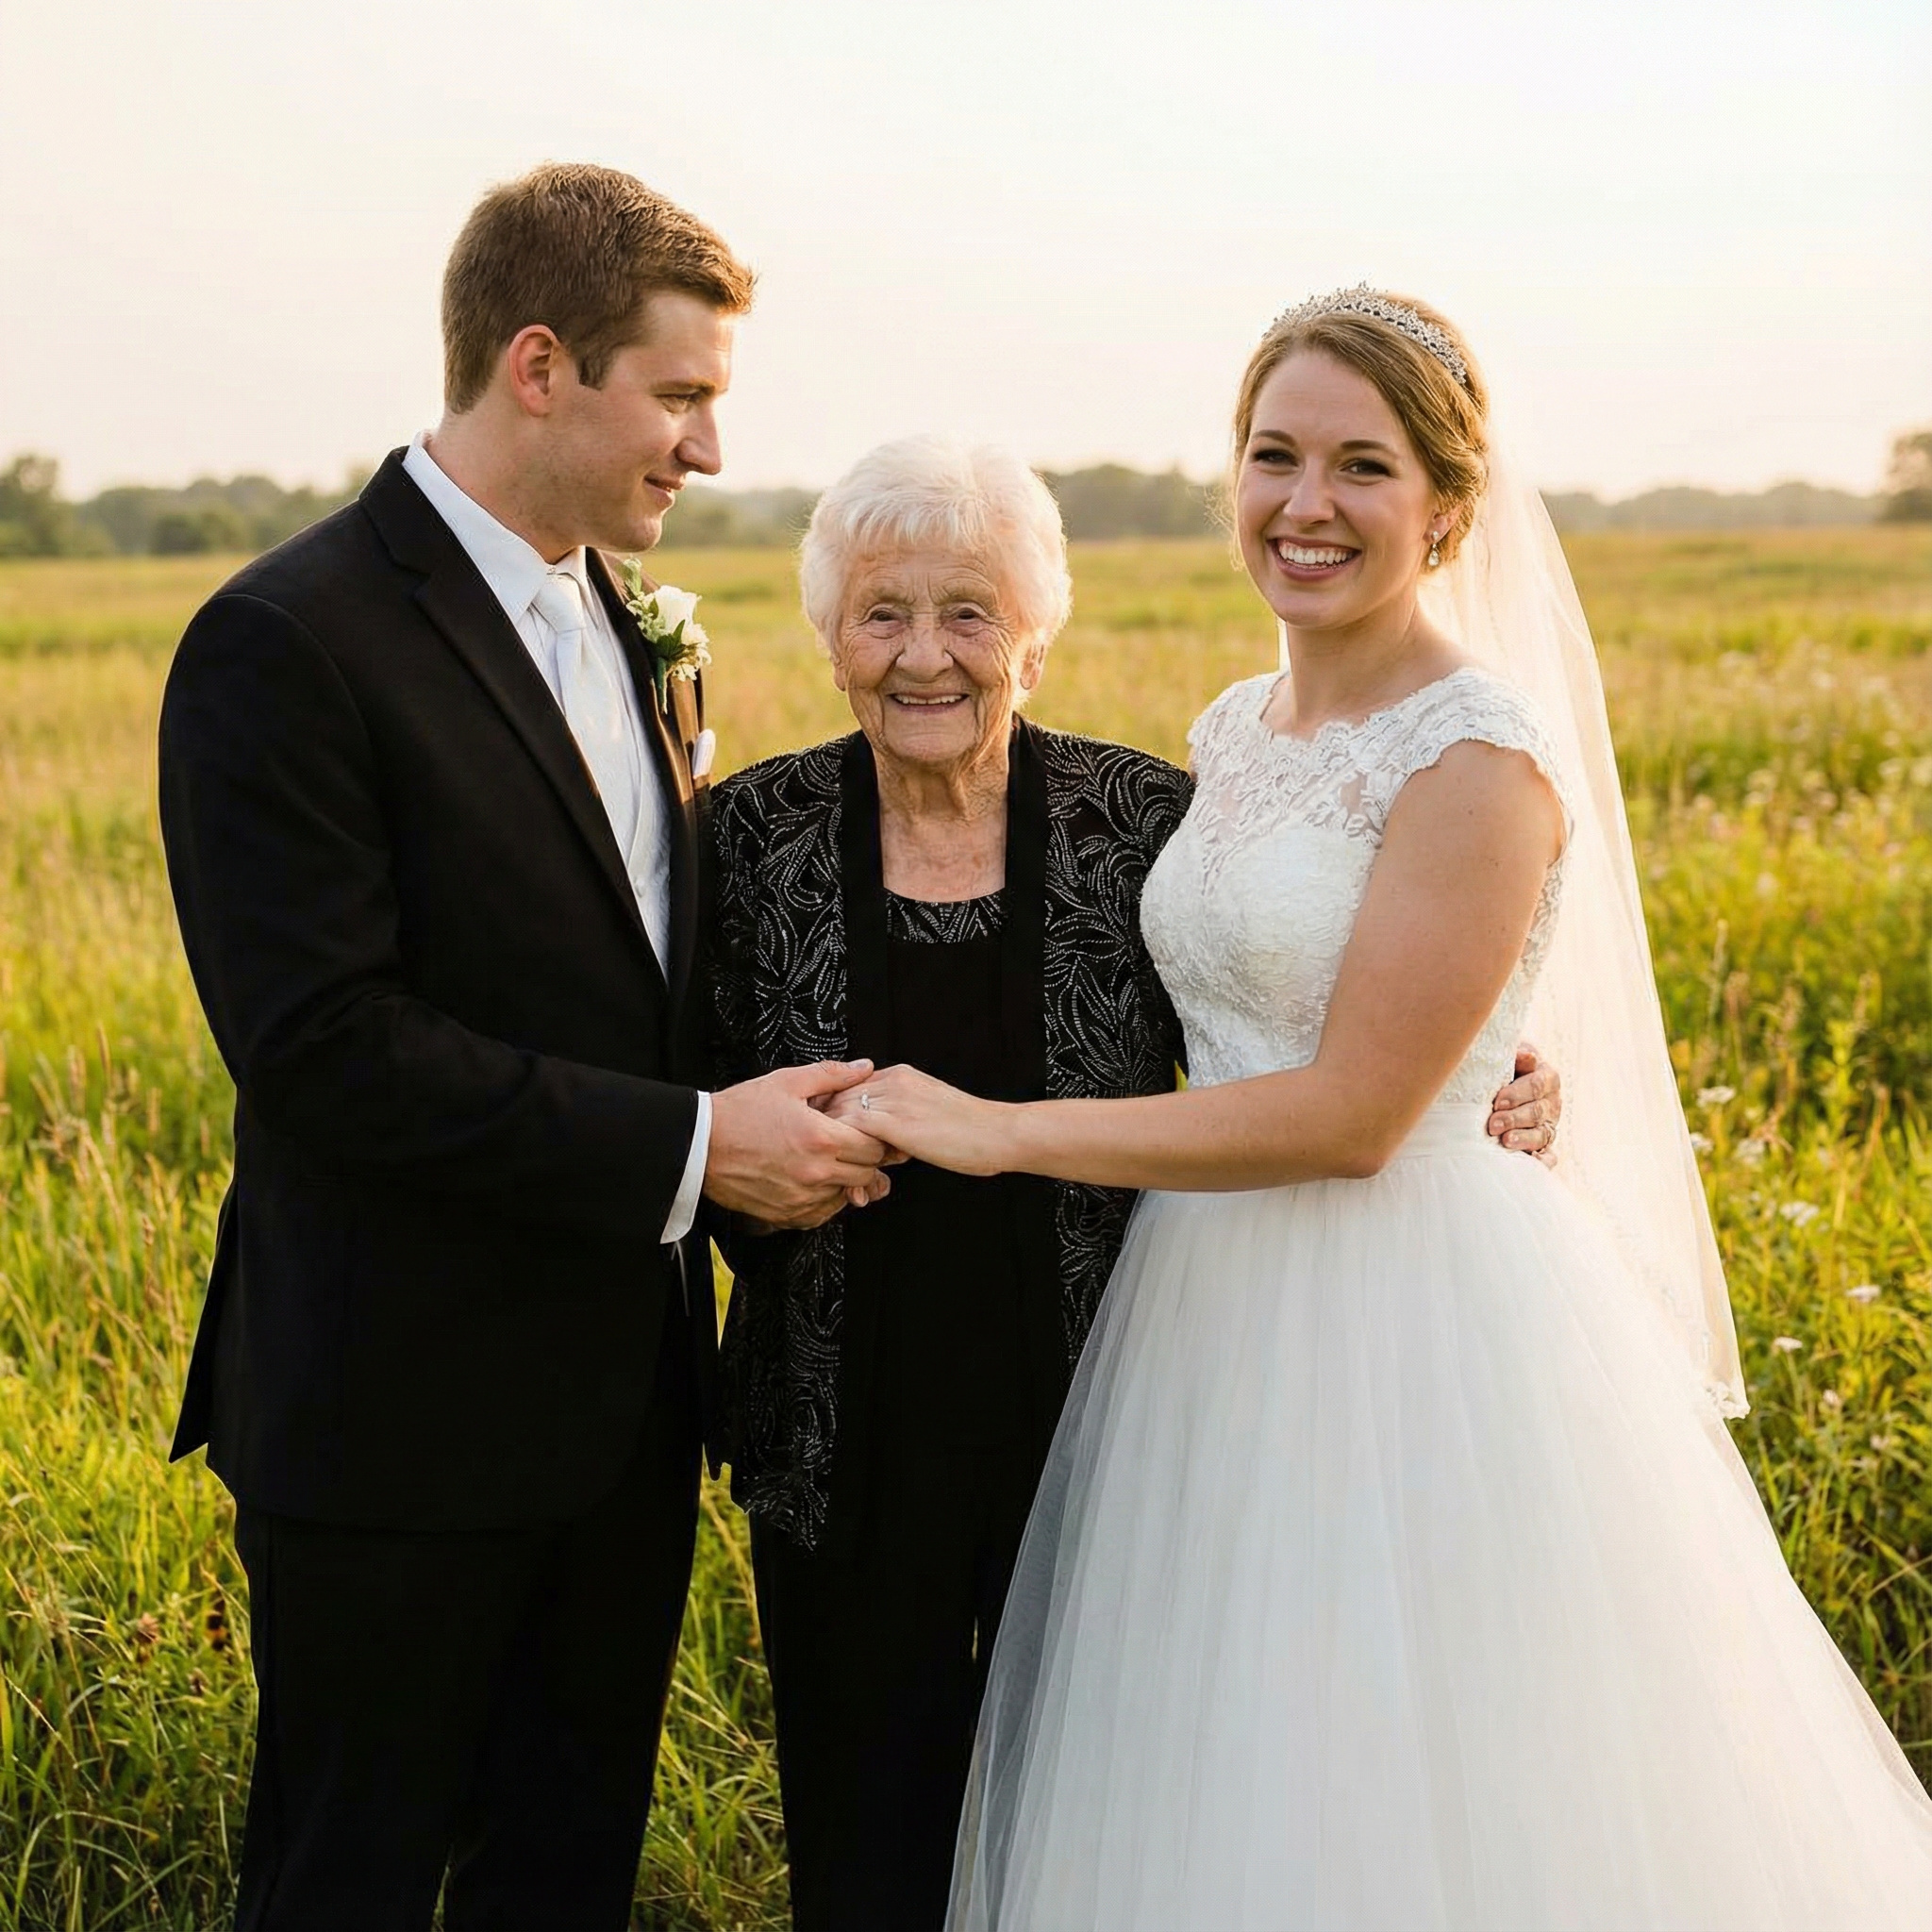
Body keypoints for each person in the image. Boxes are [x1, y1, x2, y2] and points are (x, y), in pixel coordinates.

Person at [840, 291, 1932, 1928]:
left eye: (1363, 464)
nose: (1308, 503)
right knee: (1218, 1761)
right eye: (1274, 455)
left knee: (1432, 1778)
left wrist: (997, 1130)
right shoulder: (1235, 726)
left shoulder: (1480, 745)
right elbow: (1240, 987)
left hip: (1413, 1320)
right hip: (1206, 1317)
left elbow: (1353, 1110)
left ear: (1448, 504)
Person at [156, 164, 891, 1932]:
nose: (707, 450)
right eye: (684, 395)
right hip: (390, 1426)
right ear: (542, 365)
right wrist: (699, 1153)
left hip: (620, 1417)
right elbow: (323, 1048)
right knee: (345, 1880)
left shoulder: (631, 626)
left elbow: (641, 974)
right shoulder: (284, 638)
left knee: (561, 1882)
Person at [705, 434, 1560, 1931]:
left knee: (1099, 1832)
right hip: (838, 1425)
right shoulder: (749, 840)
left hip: (1117, 1418)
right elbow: (687, 1101)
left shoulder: (1139, 821)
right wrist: (737, 1183)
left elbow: (1296, 994)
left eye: (970, 612)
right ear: (829, 632)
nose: (925, 656)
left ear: (1036, 631)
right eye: (881, 612)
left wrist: (1514, 1063)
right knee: (863, 1831)